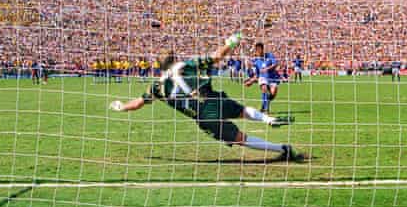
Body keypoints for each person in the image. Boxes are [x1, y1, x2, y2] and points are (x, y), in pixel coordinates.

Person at [109, 33, 304, 162]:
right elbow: (217, 56)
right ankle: (267, 118)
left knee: (240, 138)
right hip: (213, 99)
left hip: (203, 116)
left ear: (159, 67)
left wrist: (123, 107)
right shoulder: (188, 64)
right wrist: (231, 43)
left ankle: (282, 149)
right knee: (242, 111)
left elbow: (138, 103)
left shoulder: (157, 87)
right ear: (175, 59)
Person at [244, 42, 281, 113]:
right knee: (264, 88)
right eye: (256, 50)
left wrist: (267, 68)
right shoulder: (256, 61)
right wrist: (251, 81)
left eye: (259, 49)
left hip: (272, 78)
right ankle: (267, 108)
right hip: (263, 78)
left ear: (262, 49)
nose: (257, 51)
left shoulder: (270, 55)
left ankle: (264, 105)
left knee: (272, 93)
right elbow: (257, 75)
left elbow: (275, 64)